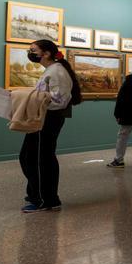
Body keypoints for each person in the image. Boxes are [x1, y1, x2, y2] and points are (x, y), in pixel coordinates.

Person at [19, 40, 81, 213]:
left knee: (37, 159)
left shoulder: (57, 71)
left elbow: (60, 100)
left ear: (46, 53)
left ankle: (43, 199)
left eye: (33, 50)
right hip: (42, 118)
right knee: (31, 157)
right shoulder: (52, 70)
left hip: (48, 119)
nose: (30, 53)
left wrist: (31, 99)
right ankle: (42, 195)